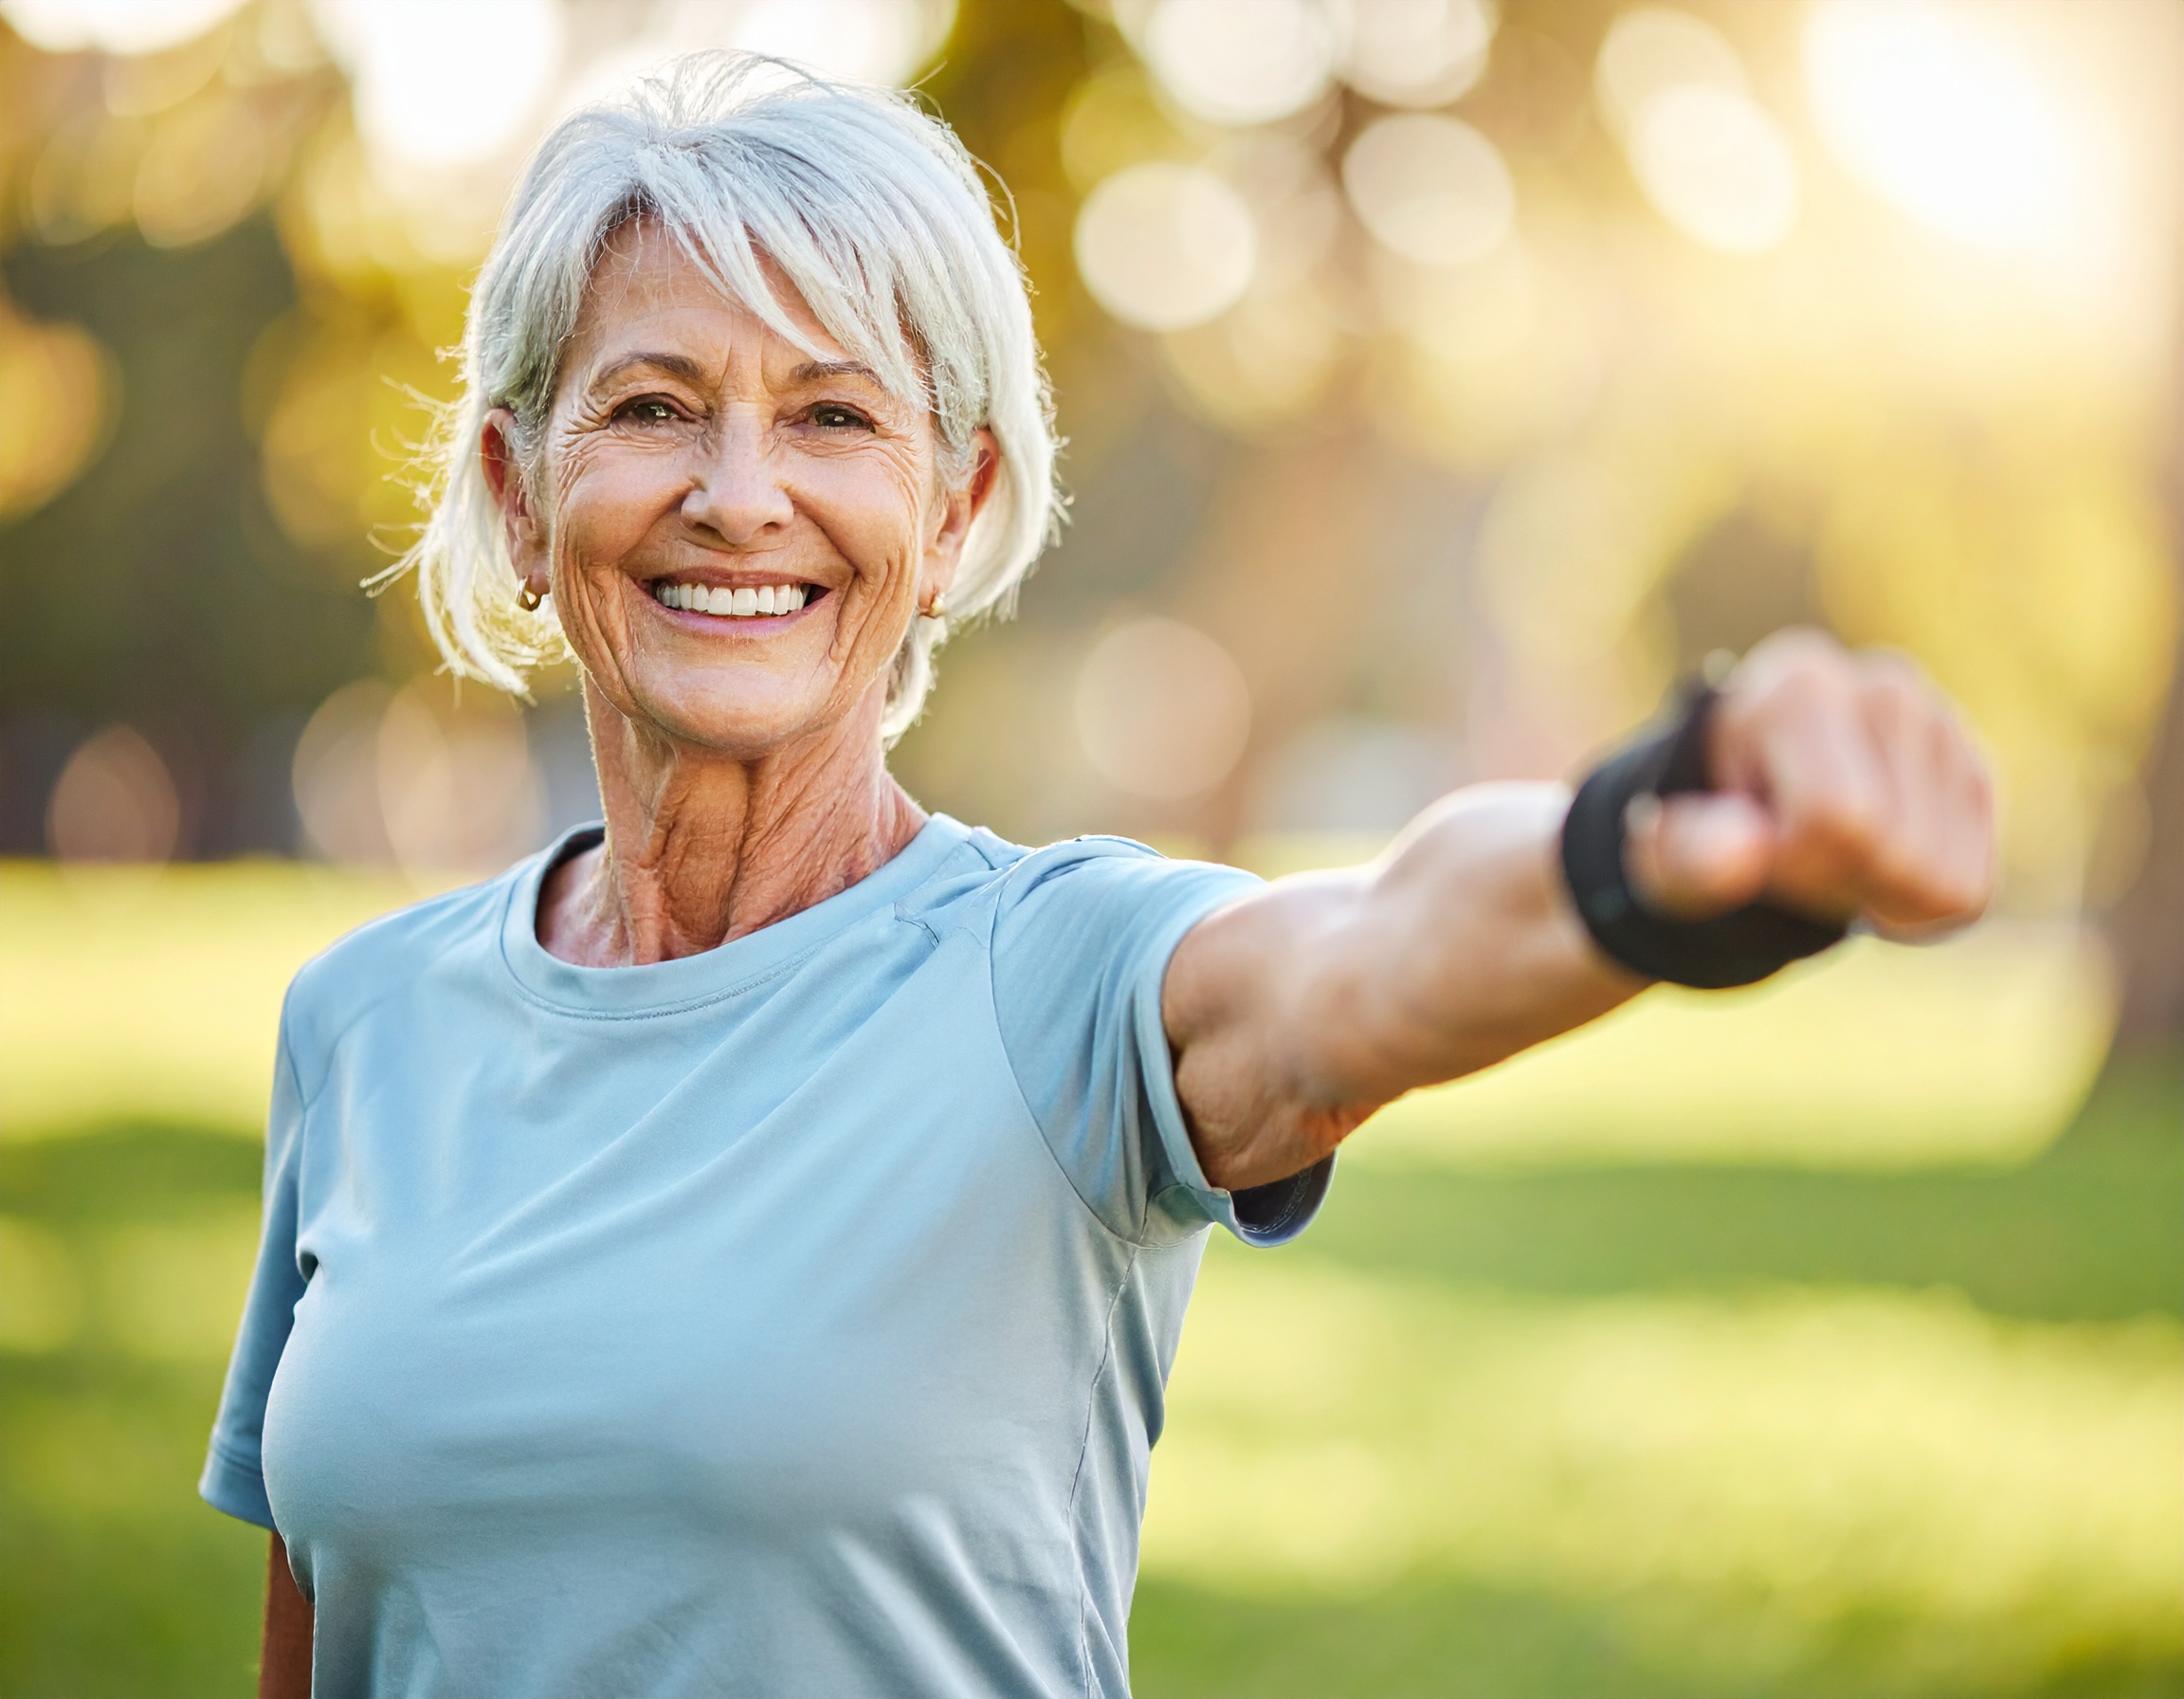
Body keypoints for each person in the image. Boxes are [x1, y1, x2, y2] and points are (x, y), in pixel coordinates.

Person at [202, 54, 1993, 1699]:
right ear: (519, 493)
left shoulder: (1050, 978)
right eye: (656, 407)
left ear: (958, 506)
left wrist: (1661, 841)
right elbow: (325, 1621)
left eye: (834, 419)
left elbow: (1363, 957)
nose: (741, 496)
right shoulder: (362, 1024)